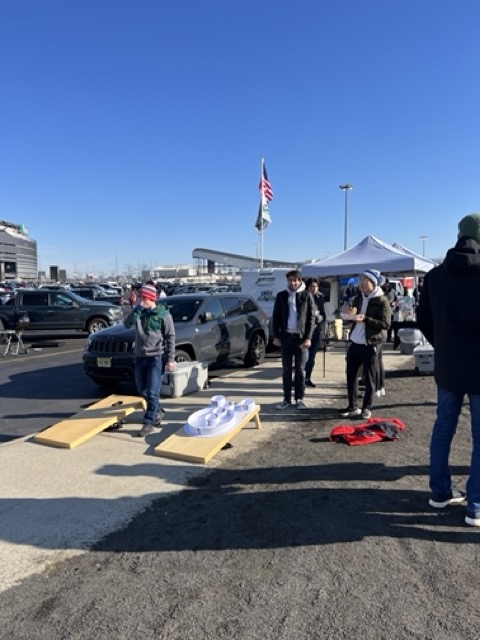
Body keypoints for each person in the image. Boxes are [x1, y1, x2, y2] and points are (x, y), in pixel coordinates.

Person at [417, 213, 480, 526]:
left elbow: (423, 319)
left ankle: (439, 492)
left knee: (442, 430)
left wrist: (442, 344)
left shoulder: (435, 276)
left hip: (448, 367)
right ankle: (476, 505)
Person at [338, 269, 391, 420]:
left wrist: (366, 318)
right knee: (351, 375)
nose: (361, 284)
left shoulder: (382, 301)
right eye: (360, 280)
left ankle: (367, 407)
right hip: (355, 342)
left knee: (369, 377)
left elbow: (386, 324)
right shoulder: (358, 298)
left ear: (373, 283)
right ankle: (353, 406)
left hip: (370, 343)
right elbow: (352, 316)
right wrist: (349, 315)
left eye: (364, 281)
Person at [124, 283, 176, 437]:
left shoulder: (164, 315)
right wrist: (137, 311)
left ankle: (148, 422)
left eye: (144, 298)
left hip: (156, 357)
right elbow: (127, 325)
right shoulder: (138, 312)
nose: (142, 301)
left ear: (151, 298)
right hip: (140, 357)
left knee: (152, 392)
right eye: (140, 298)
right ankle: (157, 410)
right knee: (143, 390)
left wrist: (170, 359)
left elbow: (170, 337)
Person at [272, 269, 315, 410]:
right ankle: (286, 399)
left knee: (300, 370)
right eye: (291, 280)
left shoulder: (307, 296)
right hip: (286, 338)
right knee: (286, 370)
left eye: (295, 280)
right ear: (287, 281)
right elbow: (276, 317)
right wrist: (276, 337)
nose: (293, 282)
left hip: (301, 339)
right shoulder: (281, 296)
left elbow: (311, 318)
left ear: (300, 281)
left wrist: (308, 337)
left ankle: (299, 398)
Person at [304, 277, 326, 387]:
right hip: (304, 332)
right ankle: (298, 378)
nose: (314, 289)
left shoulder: (320, 297)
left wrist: (319, 318)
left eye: (316, 286)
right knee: (303, 357)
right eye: (312, 287)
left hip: (316, 331)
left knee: (312, 357)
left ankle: (307, 378)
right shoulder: (302, 297)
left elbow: (323, 314)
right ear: (307, 287)